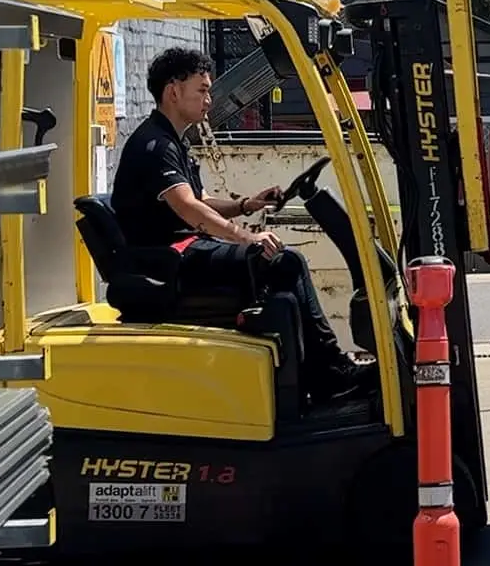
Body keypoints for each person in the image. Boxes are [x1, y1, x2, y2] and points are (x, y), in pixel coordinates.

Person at [111, 46, 369, 401]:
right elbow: (189, 210)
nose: (209, 99)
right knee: (286, 262)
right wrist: (246, 238)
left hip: (184, 252)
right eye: (201, 90)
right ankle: (330, 372)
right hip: (169, 261)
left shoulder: (173, 141)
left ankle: (310, 373)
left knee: (281, 269)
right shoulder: (154, 145)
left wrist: (246, 204)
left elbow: (199, 201)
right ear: (173, 91)